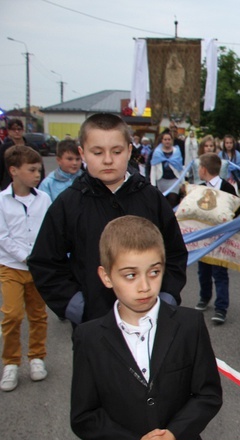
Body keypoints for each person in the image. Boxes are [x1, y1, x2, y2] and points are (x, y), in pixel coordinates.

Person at [70, 216, 222, 440]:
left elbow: (207, 394)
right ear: (106, 276)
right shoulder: (89, 337)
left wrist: (174, 434)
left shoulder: (189, 325)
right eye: (130, 275)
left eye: (154, 272)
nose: (144, 286)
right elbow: (84, 416)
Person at [28, 113, 188, 327]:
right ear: (82, 153)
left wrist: (166, 296)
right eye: (97, 152)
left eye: (117, 151)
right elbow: (44, 261)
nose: (108, 160)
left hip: (150, 322)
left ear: (129, 151)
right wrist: (77, 306)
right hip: (93, 323)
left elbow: (175, 252)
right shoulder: (69, 203)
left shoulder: (151, 199)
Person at [0, 146, 51, 392]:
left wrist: (44, 257)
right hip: (11, 266)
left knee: (38, 314)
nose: (37, 174)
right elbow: (3, 237)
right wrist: (27, 257)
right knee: (12, 315)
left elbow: (49, 230)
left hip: (37, 268)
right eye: (31, 170)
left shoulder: (43, 199)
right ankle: (10, 362)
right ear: (13, 171)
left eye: (39, 169)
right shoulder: (1, 201)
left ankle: (36, 357)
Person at [194, 153, 240, 325]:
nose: (198, 170)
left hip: (220, 239)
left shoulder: (227, 187)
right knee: (203, 270)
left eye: (199, 167)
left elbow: (238, 208)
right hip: (204, 238)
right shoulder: (199, 188)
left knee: (220, 273)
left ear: (204, 169)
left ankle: (221, 307)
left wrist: (226, 221)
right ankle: (204, 296)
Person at [149, 130, 184, 207]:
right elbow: (153, 169)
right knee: (163, 201)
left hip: (174, 180)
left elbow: (180, 168)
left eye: (169, 139)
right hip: (161, 180)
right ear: (162, 141)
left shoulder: (176, 152)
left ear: (172, 140)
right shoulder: (157, 152)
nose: (167, 141)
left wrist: (182, 183)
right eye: (165, 139)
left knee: (173, 199)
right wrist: (153, 184)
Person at [0, 118, 29, 190]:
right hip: (9, 185)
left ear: (23, 130)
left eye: (19, 129)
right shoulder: (4, 148)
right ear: (9, 131)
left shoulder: (31, 147)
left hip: (28, 183)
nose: (17, 131)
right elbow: (1, 167)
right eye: (13, 129)